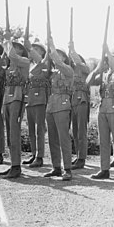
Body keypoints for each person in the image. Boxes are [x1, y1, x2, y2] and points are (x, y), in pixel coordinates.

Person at [88, 43, 114, 181]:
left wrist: (107, 52)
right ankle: (104, 169)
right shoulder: (105, 74)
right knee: (104, 142)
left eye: (113, 58)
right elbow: (88, 83)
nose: (109, 60)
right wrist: (97, 69)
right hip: (103, 110)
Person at [42, 37, 75, 181]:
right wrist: (46, 55)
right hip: (51, 105)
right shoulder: (53, 72)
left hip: (62, 104)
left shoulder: (68, 70)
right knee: (52, 138)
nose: (56, 57)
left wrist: (52, 48)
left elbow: (59, 63)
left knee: (63, 138)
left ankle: (67, 168)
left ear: (64, 58)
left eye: (59, 54)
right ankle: (56, 167)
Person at [0, 40, 30, 178]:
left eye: (19, 48)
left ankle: (16, 166)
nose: (15, 49)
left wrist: (8, 40)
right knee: (9, 133)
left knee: (14, 132)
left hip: (17, 98)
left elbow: (13, 56)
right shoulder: (9, 65)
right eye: (14, 47)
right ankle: (13, 164)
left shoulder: (24, 61)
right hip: (7, 99)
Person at [23, 41, 49, 168]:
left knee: (39, 130)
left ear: (42, 52)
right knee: (31, 130)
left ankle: (39, 157)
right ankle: (34, 154)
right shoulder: (31, 65)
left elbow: (40, 60)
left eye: (37, 49)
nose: (34, 51)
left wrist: (28, 47)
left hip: (40, 99)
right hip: (31, 100)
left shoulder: (45, 63)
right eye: (33, 49)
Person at [68, 42, 91, 170]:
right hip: (73, 102)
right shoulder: (71, 71)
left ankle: (82, 158)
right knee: (75, 131)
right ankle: (78, 155)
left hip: (82, 101)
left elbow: (78, 62)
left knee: (81, 131)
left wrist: (72, 51)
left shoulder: (84, 69)